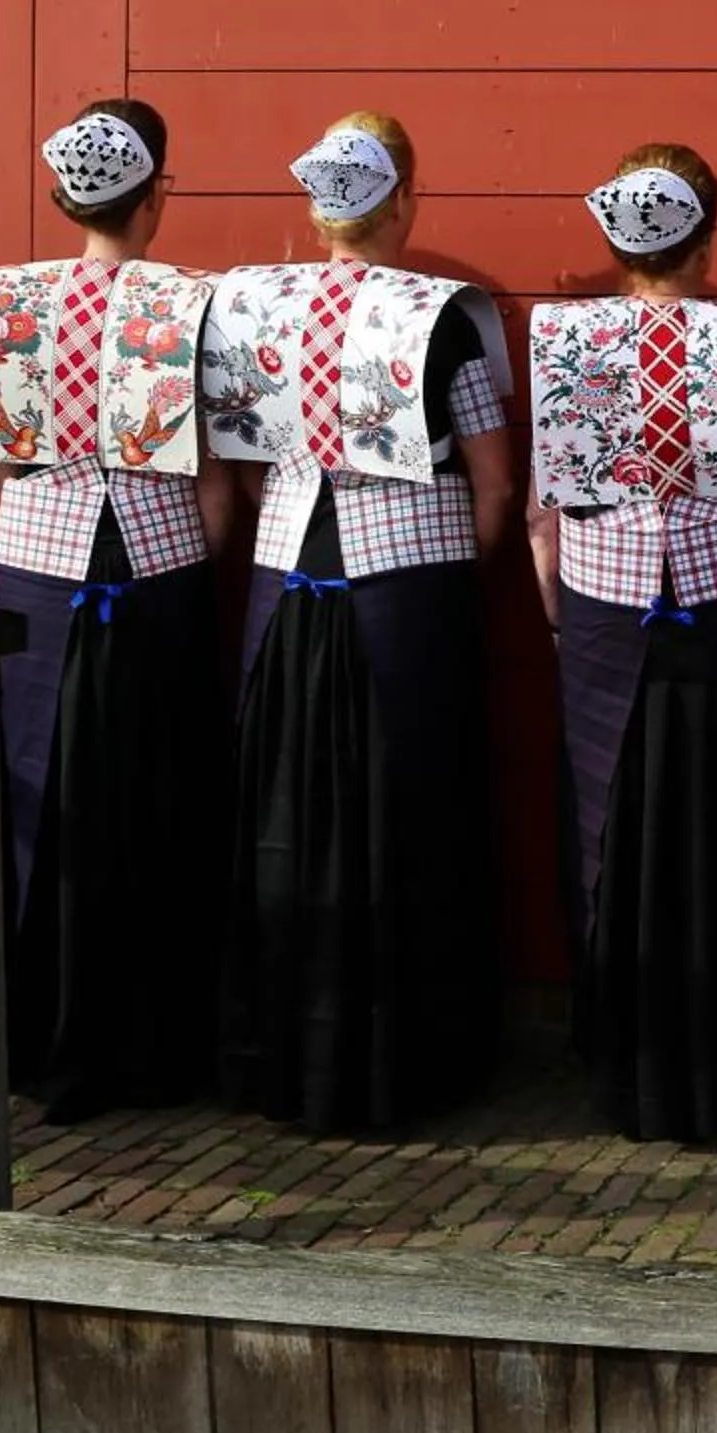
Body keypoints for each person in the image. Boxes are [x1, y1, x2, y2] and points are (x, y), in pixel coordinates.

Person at [202, 113, 519, 1132]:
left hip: (286, 586)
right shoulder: (448, 318)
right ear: (404, 202)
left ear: (318, 208)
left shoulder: (254, 305)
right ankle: (406, 1057)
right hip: (407, 597)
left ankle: (282, 1051)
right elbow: (497, 486)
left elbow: (244, 469)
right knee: (407, 814)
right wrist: (441, 561)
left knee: (286, 817)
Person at [0, 101, 232, 1122]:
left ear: (66, 197)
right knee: (157, 801)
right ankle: (152, 1046)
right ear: (156, 193)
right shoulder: (195, 301)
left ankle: (36, 1036)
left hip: (34, 567)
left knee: (37, 801)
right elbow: (217, 477)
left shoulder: (5, 299)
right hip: (157, 570)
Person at [526, 145, 717, 1140]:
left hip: (603, 619)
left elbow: (542, 520)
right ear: (709, 237)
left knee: (612, 837)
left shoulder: (567, 342)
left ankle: (623, 1063)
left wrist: (566, 620)